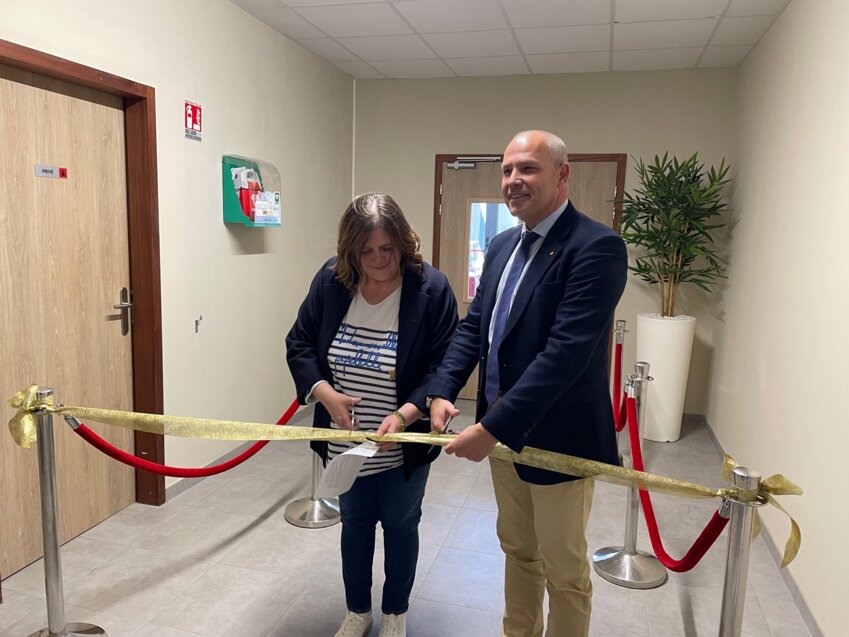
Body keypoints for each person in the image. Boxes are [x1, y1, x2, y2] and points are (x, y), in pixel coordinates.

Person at [427, 130, 627, 637]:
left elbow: (564, 356)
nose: (514, 180)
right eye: (508, 169)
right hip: (503, 438)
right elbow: (475, 327)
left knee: (564, 570)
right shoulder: (500, 246)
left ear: (563, 175)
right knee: (518, 550)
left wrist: (491, 427)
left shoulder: (596, 247)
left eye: (528, 169)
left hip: (558, 439)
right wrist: (442, 389)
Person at [286, 193, 458, 637]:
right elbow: (300, 343)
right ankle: (358, 610)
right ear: (350, 250)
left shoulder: (430, 289)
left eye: (388, 249)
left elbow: (443, 363)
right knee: (356, 526)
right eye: (367, 251)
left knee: (401, 525)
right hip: (348, 447)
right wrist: (324, 393)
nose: (379, 261)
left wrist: (404, 416)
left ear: (403, 242)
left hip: (403, 446)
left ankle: (396, 611)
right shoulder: (331, 281)